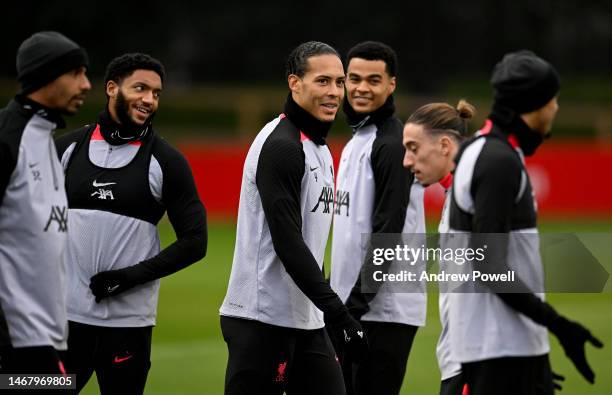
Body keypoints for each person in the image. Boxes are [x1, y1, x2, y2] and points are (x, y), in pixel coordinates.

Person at [446, 50, 603, 394]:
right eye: (553, 99)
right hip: (499, 352)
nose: (556, 108)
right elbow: (489, 263)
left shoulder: (484, 151)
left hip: (508, 348)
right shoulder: (498, 161)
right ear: (534, 105)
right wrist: (560, 325)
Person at [219, 41, 367, 395]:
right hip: (262, 320)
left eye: (339, 82)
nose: (334, 92)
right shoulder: (283, 146)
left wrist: (326, 310)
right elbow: (288, 242)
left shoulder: (318, 146)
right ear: (294, 83)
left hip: (306, 319)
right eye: (322, 81)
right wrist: (339, 313)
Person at [55, 53, 207, 394]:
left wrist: (127, 279)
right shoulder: (66, 149)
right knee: (23, 386)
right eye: (140, 88)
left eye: (156, 93)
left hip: (127, 330)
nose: (149, 99)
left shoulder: (167, 161)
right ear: (112, 88)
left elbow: (196, 242)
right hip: (62, 324)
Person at [329, 41, 426, 395]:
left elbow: (389, 230)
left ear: (391, 85)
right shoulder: (358, 138)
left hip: (382, 312)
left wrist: (355, 305)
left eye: (373, 80)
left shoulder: (391, 144)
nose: (361, 88)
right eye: (353, 79)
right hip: (354, 308)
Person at [0, 31, 90, 375]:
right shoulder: (8, 140)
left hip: (47, 340)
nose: (85, 84)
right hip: (15, 345)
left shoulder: (46, 140)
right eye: (75, 73)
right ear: (44, 76)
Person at [402, 100, 475, 395]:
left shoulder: (474, 194)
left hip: (472, 364)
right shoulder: (457, 193)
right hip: (459, 362)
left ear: (444, 145)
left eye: (413, 148)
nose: (407, 160)